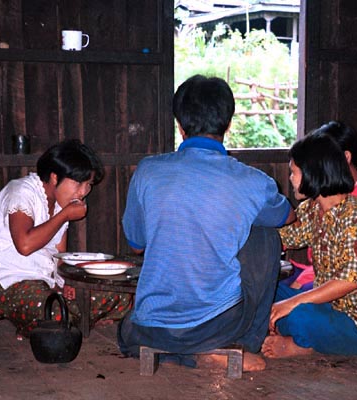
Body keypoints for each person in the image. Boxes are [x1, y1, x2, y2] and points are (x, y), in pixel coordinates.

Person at [118, 75, 294, 372]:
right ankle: (239, 345)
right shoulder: (251, 180)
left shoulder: (147, 172)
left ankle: (181, 354)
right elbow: (287, 216)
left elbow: (136, 246)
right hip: (220, 325)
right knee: (265, 235)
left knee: (126, 330)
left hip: (150, 327)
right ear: (227, 125)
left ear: (180, 126)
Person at [0, 139, 132, 338]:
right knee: (55, 312)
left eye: (88, 184)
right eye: (79, 183)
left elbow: (60, 256)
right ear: (54, 177)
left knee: (122, 297)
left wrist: (65, 284)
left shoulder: (62, 202)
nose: (84, 192)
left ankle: (48, 325)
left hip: (48, 286)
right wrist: (64, 215)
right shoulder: (21, 192)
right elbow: (24, 245)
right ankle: (64, 321)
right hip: (8, 285)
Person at [261, 131, 357, 359]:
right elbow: (282, 237)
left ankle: (302, 346)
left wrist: (291, 303)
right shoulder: (313, 209)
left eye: (294, 172)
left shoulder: (354, 213)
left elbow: (348, 281)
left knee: (299, 315)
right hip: (328, 307)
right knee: (262, 293)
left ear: (313, 173)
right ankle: (293, 334)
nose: (290, 178)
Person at [280, 121, 357, 321]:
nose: (291, 178)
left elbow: (351, 275)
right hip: (327, 280)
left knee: (295, 309)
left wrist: (302, 287)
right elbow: (290, 234)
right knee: (269, 296)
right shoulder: (320, 202)